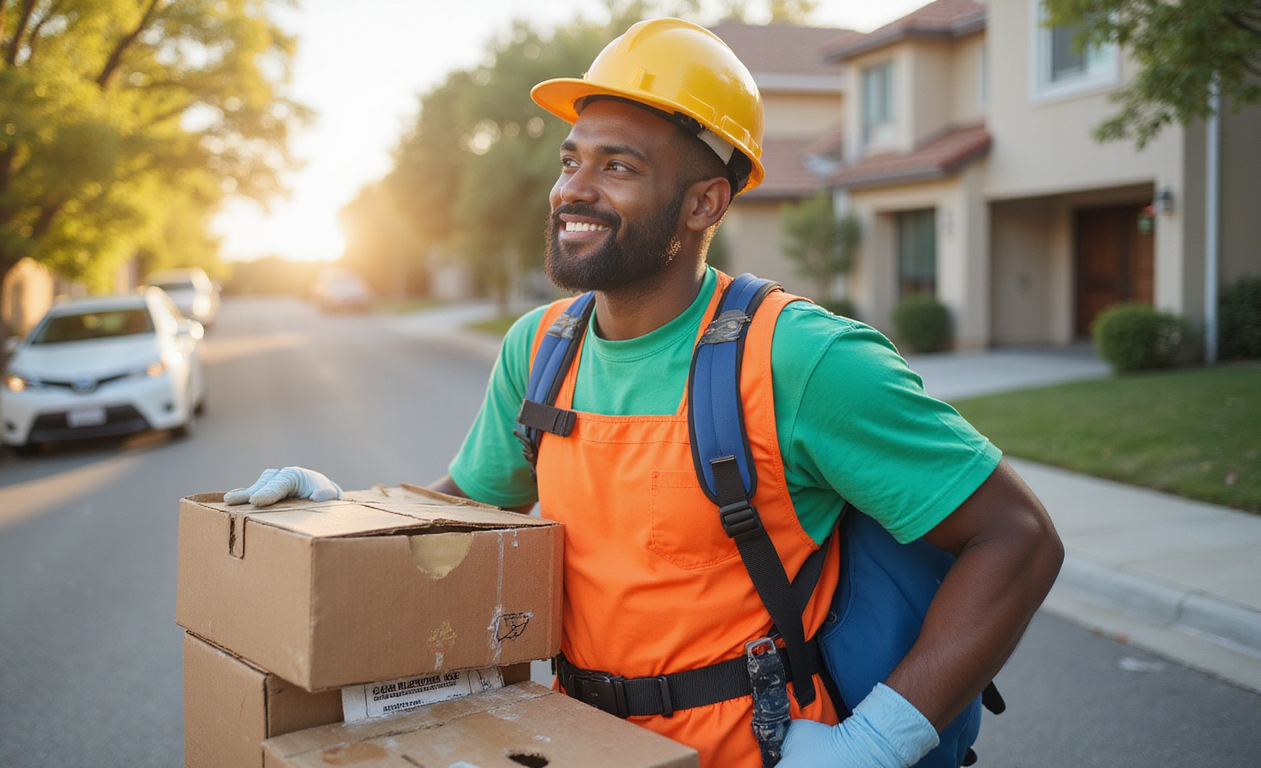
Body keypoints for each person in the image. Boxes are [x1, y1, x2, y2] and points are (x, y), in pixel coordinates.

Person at [226, 18, 1064, 768]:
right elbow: (464, 521)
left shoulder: (800, 359)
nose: (572, 191)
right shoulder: (541, 348)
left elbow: (1018, 539)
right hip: (581, 745)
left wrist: (878, 742)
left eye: (617, 166)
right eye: (571, 161)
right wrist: (340, 520)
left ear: (705, 202)